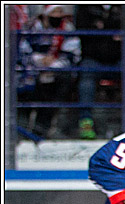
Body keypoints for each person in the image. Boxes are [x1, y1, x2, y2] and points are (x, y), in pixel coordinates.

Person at [17, 4, 81, 139]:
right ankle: (21, 130)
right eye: (55, 12)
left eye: (60, 12)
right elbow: (22, 50)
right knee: (26, 84)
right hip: (32, 69)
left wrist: (54, 63)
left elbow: (73, 54)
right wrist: (39, 60)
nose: (58, 16)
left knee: (60, 84)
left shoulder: (67, 28)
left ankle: (41, 130)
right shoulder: (31, 26)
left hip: (56, 70)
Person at [74, 4, 123, 140]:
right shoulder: (85, 7)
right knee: (86, 77)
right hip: (93, 58)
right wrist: (110, 30)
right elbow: (83, 31)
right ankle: (86, 121)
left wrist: (103, 26)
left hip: (118, 59)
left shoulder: (121, 7)